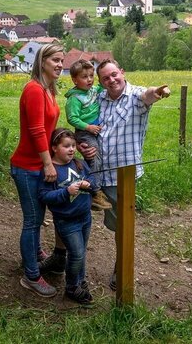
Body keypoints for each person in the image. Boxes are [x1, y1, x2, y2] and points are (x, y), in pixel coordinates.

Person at [78, 59, 170, 291]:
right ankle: (72, 267)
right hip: (97, 173)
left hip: (123, 178)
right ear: (101, 82)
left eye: (114, 74)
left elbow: (148, 95)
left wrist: (159, 91)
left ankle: (122, 269)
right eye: (106, 78)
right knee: (81, 218)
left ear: (122, 72)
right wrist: (84, 146)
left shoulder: (135, 96)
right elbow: (86, 124)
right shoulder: (100, 97)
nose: (111, 80)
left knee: (122, 226)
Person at [9, 43, 64, 298]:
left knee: (37, 217)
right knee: (32, 221)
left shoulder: (49, 90)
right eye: (55, 60)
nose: (60, 64)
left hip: (38, 164)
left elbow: (50, 129)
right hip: (27, 166)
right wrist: (48, 163)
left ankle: (33, 254)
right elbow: (36, 130)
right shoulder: (33, 89)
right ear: (42, 61)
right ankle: (31, 276)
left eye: (62, 60)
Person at [39, 128, 97, 305]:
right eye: (66, 146)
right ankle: (72, 286)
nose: (72, 149)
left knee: (81, 252)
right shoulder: (51, 171)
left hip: (85, 217)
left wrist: (89, 184)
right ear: (55, 148)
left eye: (73, 146)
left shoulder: (79, 164)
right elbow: (45, 196)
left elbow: (93, 181)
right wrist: (66, 192)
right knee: (76, 253)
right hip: (66, 221)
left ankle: (79, 281)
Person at [63, 60, 112, 211]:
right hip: (85, 132)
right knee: (94, 157)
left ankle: (94, 186)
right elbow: (72, 118)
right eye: (84, 77)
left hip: (94, 129)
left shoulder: (92, 90)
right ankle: (95, 192)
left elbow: (103, 85)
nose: (89, 79)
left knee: (99, 157)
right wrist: (88, 127)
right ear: (74, 80)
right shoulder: (75, 98)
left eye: (91, 76)